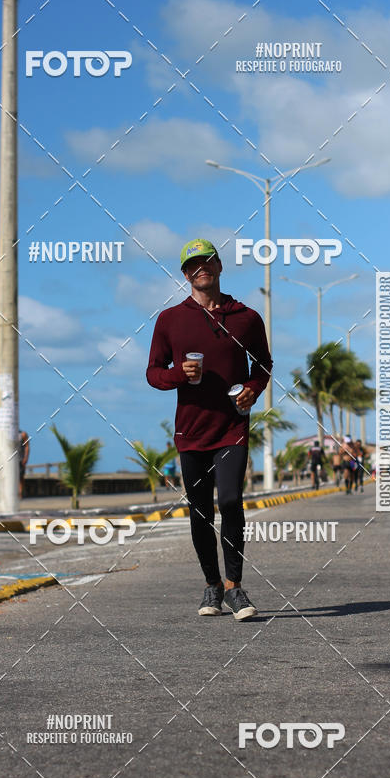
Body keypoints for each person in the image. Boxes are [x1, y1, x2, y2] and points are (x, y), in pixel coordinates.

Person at [146, 238, 272, 621]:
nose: (201, 268)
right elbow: (153, 372)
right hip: (191, 430)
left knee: (231, 501)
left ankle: (235, 588)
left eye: (208, 261)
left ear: (219, 266)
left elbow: (263, 365)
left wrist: (252, 389)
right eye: (192, 265)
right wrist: (176, 375)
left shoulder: (246, 317)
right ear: (185, 274)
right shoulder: (170, 320)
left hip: (231, 425)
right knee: (200, 511)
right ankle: (211, 585)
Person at [19, 430, 30, 497]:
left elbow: (27, 446)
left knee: (20, 477)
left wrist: (26, 457)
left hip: (20, 459)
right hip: (10, 460)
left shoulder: (23, 434)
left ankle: (20, 493)